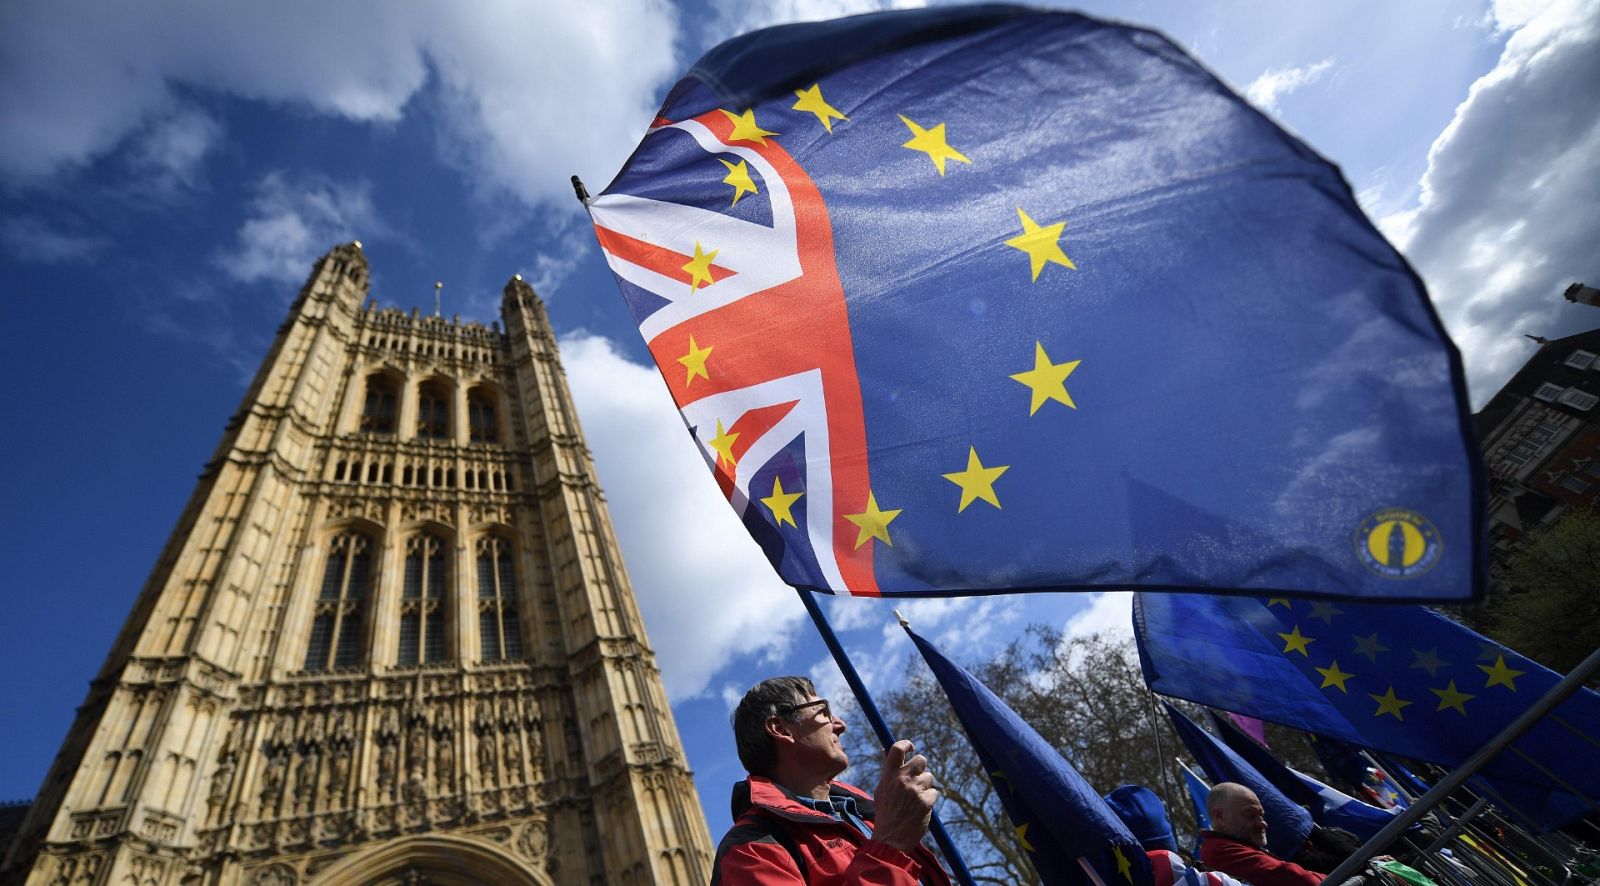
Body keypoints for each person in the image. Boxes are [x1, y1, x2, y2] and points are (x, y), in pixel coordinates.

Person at [712, 676, 951, 885]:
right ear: (780, 729)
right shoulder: (750, 851)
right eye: (823, 711)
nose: (841, 725)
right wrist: (891, 845)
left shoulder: (868, 816)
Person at [1200, 783, 1383, 886]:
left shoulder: (1230, 847)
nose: (1262, 823)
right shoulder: (1219, 851)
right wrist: (1358, 879)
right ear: (1219, 816)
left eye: (1261, 815)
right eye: (1250, 815)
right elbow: (1289, 876)